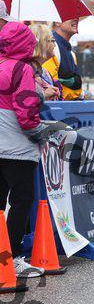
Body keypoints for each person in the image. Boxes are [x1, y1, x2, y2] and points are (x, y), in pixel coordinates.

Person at [0, 22, 48, 277]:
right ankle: (13, 259)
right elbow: (26, 114)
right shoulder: (23, 69)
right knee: (21, 202)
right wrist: (42, 134)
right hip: (17, 147)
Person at [43, 19, 82, 100]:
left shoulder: (71, 53)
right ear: (58, 22)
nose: (76, 19)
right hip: (57, 105)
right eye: (71, 15)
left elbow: (78, 85)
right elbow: (51, 86)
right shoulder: (50, 48)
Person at [29, 24, 62, 101]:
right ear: (42, 43)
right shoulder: (26, 70)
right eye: (52, 40)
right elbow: (23, 101)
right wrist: (44, 95)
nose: (55, 45)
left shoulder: (45, 72)